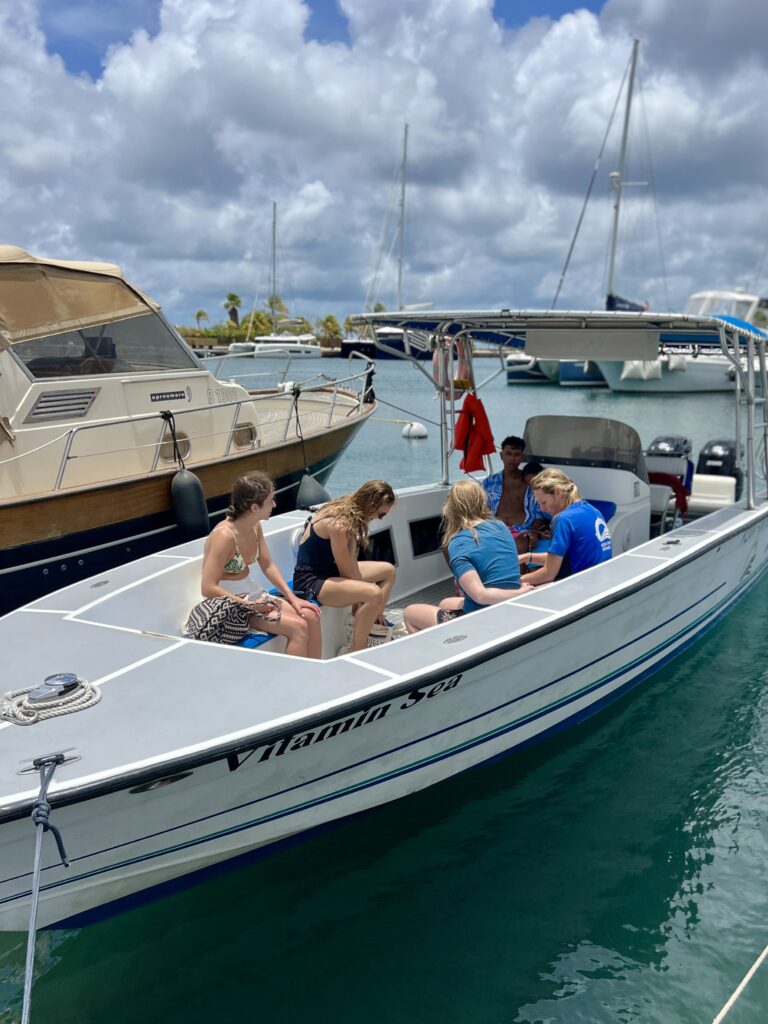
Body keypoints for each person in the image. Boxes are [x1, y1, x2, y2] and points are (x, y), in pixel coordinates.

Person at [184, 472, 322, 657]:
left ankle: (316, 677)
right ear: (255, 507)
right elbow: (208, 588)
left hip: (255, 597)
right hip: (234, 607)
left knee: (311, 616)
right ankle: (295, 684)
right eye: (270, 500)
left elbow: (267, 564)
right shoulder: (224, 537)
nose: (274, 505)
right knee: (298, 627)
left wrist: (293, 598)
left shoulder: (254, 526)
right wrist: (249, 605)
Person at [404, 479, 531, 633]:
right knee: (445, 602)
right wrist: (517, 594)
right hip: (507, 607)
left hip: (481, 618)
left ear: (451, 508)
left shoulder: (458, 543)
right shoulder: (501, 526)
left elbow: (480, 596)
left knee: (410, 613)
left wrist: (518, 594)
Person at [293, 480, 397, 652]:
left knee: (388, 571)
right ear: (371, 506)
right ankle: (356, 649)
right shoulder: (339, 524)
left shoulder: (349, 512)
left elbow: (351, 562)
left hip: (331, 571)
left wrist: (369, 602)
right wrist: (361, 597)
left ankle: (371, 622)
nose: (379, 519)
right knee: (373, 593)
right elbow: (345, 568)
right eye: (381, 515)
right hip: (313, 580)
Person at [519, 469, 612, 585]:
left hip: (582, 587)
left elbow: (549, 573)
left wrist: (513, 582)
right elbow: (563, 557)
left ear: (558, 492)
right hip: (602, 581)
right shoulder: (593, 511)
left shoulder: (563, 519)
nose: (542, 509)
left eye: (543, 502)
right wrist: (528, 557)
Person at [482, 435, 529, 535]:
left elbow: (540, 515)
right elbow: (483, 510)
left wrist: (534, 532)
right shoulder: (489, 482)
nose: (512, 458)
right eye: (508, 454)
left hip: (521, 529)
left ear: (523, 458)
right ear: (501, 455)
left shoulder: (529, 483)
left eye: (516, 455)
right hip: (495, 528)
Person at [514, 461, 552, 556]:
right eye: (530, 484)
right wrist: (534, 532)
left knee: (522, 545)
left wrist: (535, 532)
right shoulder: (531, 493)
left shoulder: (552, 492)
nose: (533, 486)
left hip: (550, 526)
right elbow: (535, 515)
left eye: (536, 482)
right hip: (537, 527)